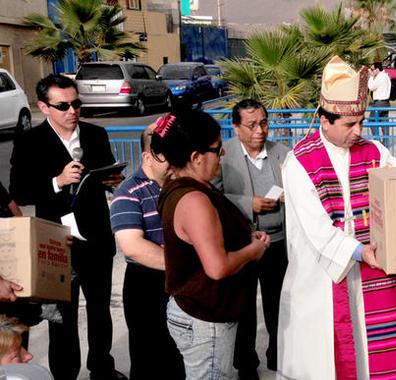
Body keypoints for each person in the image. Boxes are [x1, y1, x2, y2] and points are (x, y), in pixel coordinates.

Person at [277, 56, 396, 379]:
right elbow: (317, 230)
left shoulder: (374, 151)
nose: (358, 131)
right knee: (325, 363)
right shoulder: (299, 163)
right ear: (325, 120)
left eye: (361, 121)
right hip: (322, 280)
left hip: (372, 276)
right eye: (350, 124)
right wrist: (361, 251)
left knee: (370, 360)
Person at [9, 74, 125, 380]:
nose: (72, 111)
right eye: (63, 106)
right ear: (44, 107)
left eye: (76, 103)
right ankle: (65, 374)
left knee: (101, 312)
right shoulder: (30, 142)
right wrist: (57, 182)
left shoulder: (96, 135)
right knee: (62, 318)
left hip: (96, 239)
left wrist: (113, 182)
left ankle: (102, 368)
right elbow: (19, 191)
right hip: (57, 243)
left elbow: (106, 174)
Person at [152, 110, 269, 378]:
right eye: (217, 149)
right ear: (195, 157)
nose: (223, 154)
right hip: (205, 320)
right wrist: (253, 251)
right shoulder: (194, 200)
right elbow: (217, 267)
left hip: (198, 311)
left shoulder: (183, 186)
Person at [213, 99, 289, 378]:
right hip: (243, 243)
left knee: (278, 304)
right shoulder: (222, 156)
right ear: (235, 127)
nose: (260, 130)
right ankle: (246, 363)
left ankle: (278, 355)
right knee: (244, 307)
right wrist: (248, 204)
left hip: (278, 242)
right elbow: (213, 196)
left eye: (264, 123)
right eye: (252, 125)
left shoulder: (282, 153)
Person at [109, 125, 185, 380]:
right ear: (147, 157)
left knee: (180, 357)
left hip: (181, 282)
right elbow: (132, 246)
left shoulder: (181, 185)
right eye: (166, 156)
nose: (173, 162)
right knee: (149, 358)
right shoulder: (128, 192)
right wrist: (185, 262)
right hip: (146, 285)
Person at [367, 61, 391, 139]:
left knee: (371, 121)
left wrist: (371, 77)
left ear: (377, 69)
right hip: (386, 102)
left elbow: (371, 87)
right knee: (384, 122)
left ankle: (377, 140)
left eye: (372, 69)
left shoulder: (380, 77)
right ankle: (385, 142)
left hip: (379, 103)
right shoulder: (386, 76)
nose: (371, 71)